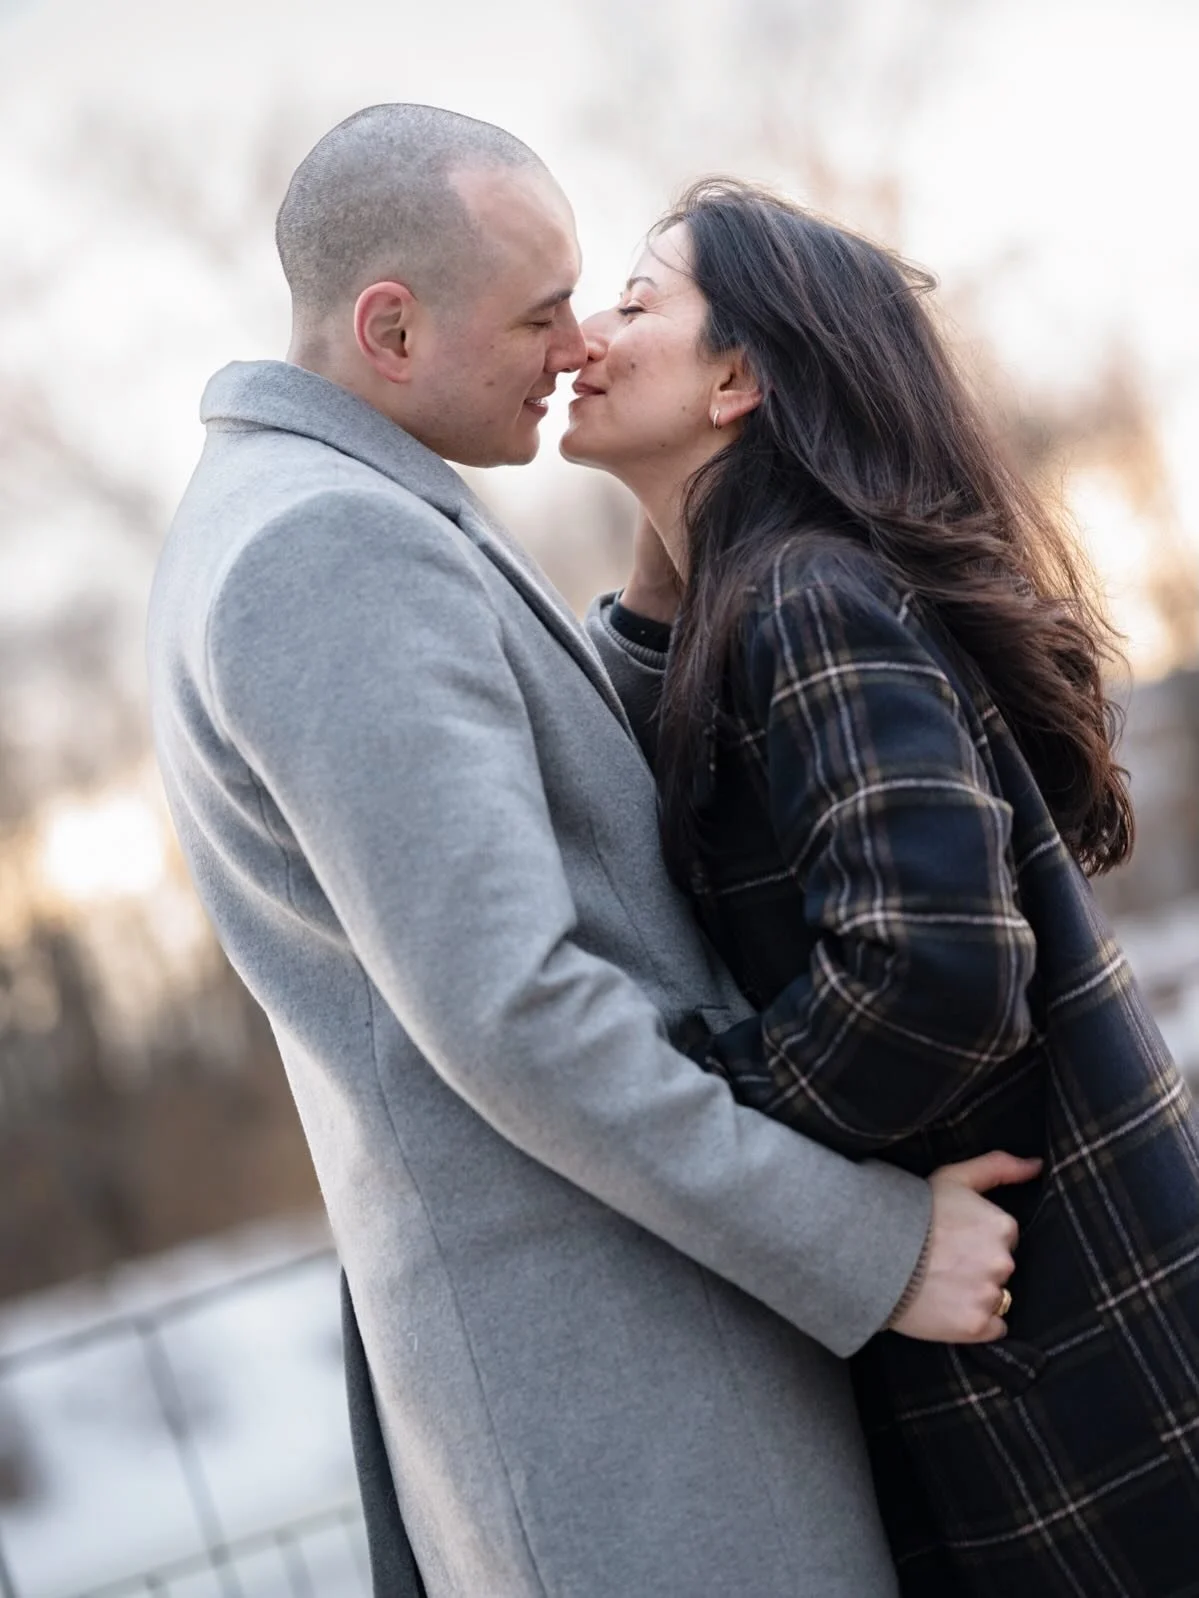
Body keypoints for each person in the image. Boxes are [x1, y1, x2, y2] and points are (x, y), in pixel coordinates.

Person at [146, 105, 1035, 1598]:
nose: (575, 347)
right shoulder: (326, 551)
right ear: (390, 326)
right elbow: (515, 1009)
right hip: (617, 1406)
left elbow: (548, 804)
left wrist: (671, 554)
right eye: (541, 312)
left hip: (634, 1359)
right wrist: (866, 1246)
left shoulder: (316, 510)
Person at [562, 178, 1199, 1597]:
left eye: (636, 298)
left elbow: (934, 970)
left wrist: (698, 1116)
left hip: (1080, 1380)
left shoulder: (806, 595)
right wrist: (661, 574)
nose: (585, 334)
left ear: (738, 376)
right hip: (1054, 1362)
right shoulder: (766, 596)